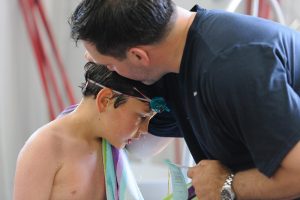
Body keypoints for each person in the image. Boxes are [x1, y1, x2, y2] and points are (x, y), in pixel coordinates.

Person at [69, 0, 300, 199]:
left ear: (139, 55)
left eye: (110, 65)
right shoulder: (173, 62)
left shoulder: (232, 67)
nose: (112, 71)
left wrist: (226, 185)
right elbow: (140, 145)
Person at [12, 62, 166, 200]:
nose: (145, 129)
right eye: (141, 117)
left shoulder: (109, 145)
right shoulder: (44, 147)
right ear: (105, 100)